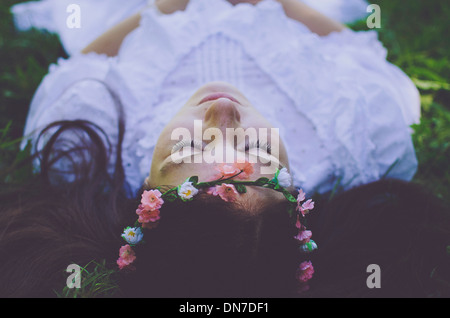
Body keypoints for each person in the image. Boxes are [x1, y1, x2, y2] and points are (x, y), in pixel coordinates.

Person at [1, 0, 448, 298]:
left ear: (144, 191)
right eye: (259, 149)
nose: (224, 114)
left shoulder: (90, 138)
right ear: (296, 195)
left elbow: (86, 63)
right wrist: (274, 5)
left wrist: (163, 9)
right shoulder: (352, 138)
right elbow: (355, 52)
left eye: (187, 146)